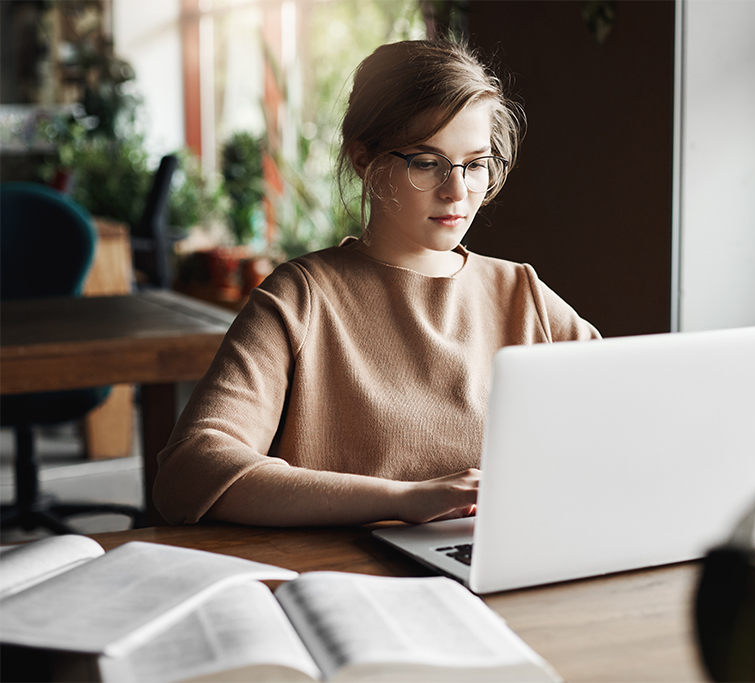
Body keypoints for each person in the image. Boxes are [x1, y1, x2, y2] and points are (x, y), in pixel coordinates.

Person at [152, 39, 600, 528]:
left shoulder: (523, 295)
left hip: (499, 570)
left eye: (476, 165)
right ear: (363, 158)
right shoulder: (302, 298)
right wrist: (400, 500)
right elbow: (189, 471)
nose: (458, 191)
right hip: (347, 581)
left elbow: (628, 424)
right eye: (427, 162)